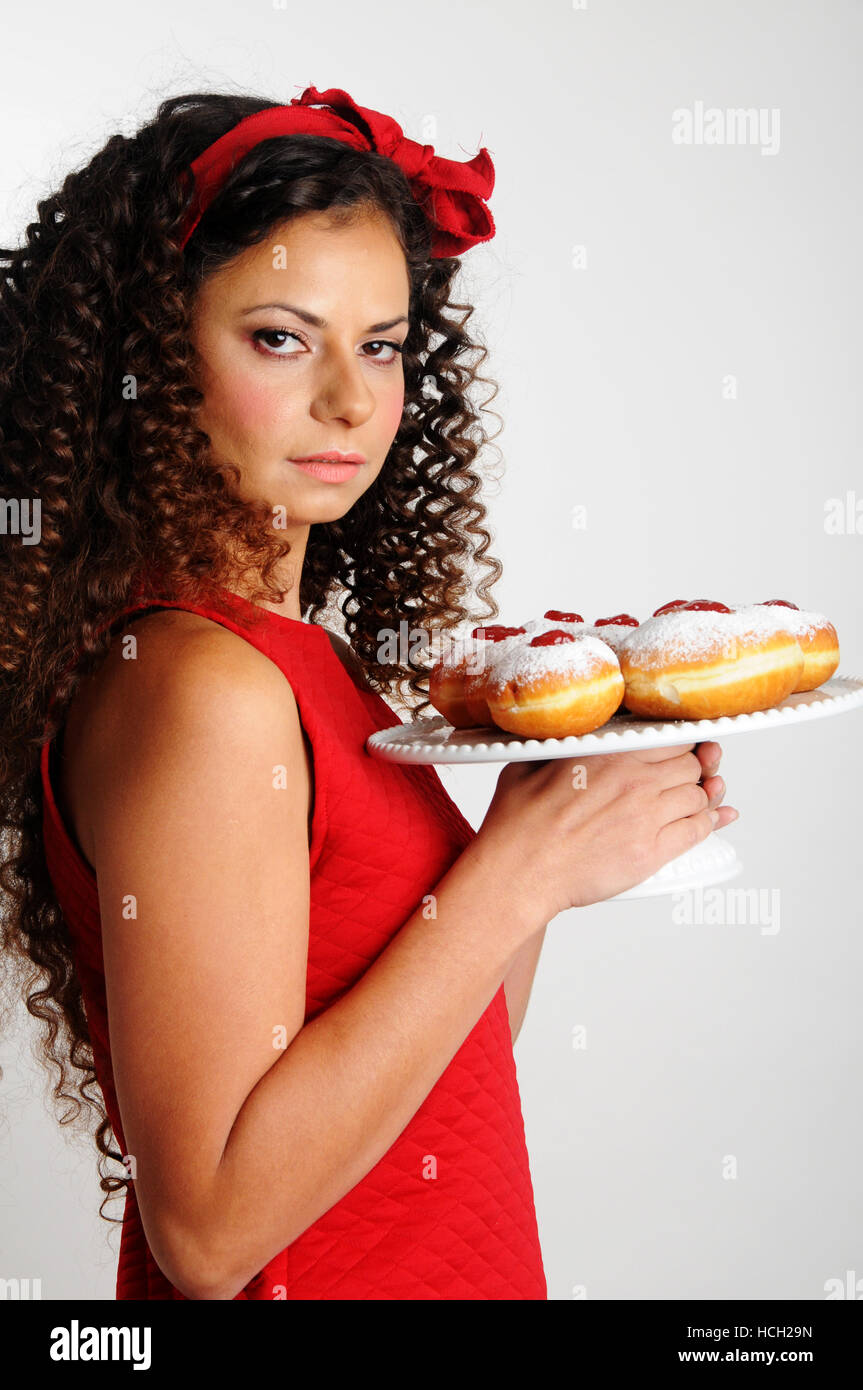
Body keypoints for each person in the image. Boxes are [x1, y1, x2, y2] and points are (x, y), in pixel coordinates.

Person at [0, 85, 738, 1301]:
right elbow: (211, 1232)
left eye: (381, 344)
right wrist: (517, 876)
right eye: (282, 338)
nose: (351, 400)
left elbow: (445, 1062)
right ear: (152, 355)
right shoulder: (198, 687)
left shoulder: (304, 663)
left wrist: (533, 832)